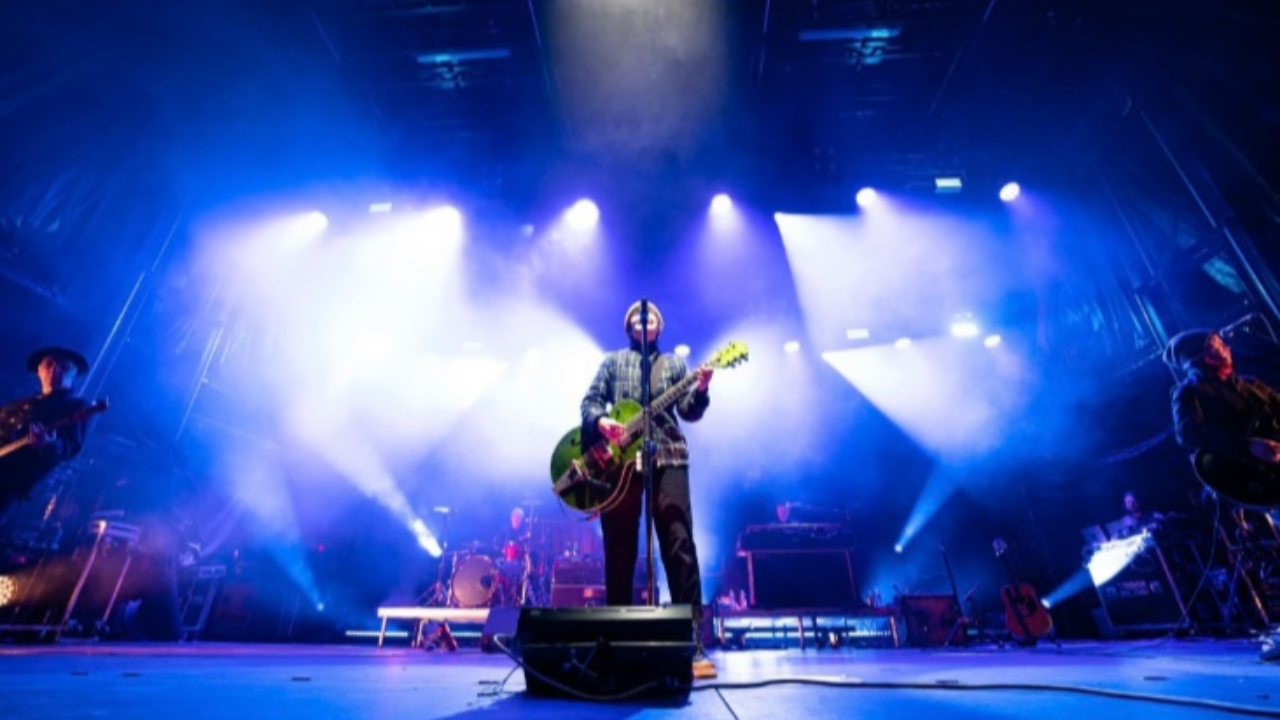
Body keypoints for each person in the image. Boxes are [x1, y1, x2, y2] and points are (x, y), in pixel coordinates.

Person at [581, 300, 716, 680]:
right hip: (619, 463)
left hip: (668, 455)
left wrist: (701, 390)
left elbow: (689, 411)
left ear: (660, 325)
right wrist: (603, 421)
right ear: (628, 325)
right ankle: (616, 641)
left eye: (652, 316)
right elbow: (589, 402)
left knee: (678, 544)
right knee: (619, 548)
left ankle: (692, 641)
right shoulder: (611, 362)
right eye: (639, 316)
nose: (645, 320)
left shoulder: (673, 364)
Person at [1164, 329, 1280, 661]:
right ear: (1203, 354)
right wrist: (1246, 447)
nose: (1226, 346)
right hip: (1247, 475)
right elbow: (1189, 435)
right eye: (1217, 342)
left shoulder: (1252, 385)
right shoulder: (1189, 392)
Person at [0, 347, 94, 515]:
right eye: (49, 364)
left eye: (63, 367)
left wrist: (49, 444)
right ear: (39, 370)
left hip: (11, 482)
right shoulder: (18, 405)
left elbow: (70, 447)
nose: (54, 370)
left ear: (73, 374)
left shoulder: (76, 406)